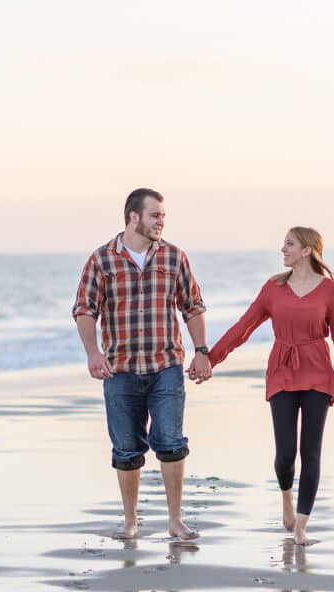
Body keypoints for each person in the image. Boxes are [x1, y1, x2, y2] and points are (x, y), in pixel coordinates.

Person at [198, 226, 334, 546]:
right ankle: (286, 494)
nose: (282, 249)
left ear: (307, 251)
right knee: (286, 454)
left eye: (289, 244)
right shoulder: (273, 288)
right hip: (282, 372)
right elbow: (243, 328)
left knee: (310, 451)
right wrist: (210, 359)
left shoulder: (331, 291)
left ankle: (301, 528)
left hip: (317, 372)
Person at [72, 188, 211, 541]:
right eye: (155, 215)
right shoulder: (102, 259)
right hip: (120, 369)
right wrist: (93, 353)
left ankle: (175, 520)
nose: (161, 222)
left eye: (163, 216)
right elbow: (85, 309)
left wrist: (202, 350)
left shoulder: (174, 257)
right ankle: (131, 520)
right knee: (127, 449)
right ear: (133, 216)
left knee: (170, 442)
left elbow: (192, 306)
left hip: (165, 364)